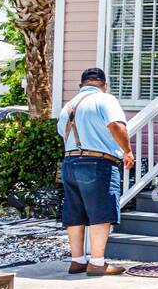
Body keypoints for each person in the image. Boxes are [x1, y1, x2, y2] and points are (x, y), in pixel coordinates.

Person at [57, 67, 134, 275]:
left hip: (69, 162)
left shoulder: (68, 106)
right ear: (104, 84)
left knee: (75, 212)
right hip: (97, 162)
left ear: (81, 85)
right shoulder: (105, 100)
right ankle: (98, 263)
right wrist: (127, 151)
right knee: (101, 211)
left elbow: (60, 132)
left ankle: (77, 260)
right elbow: (117, 125)